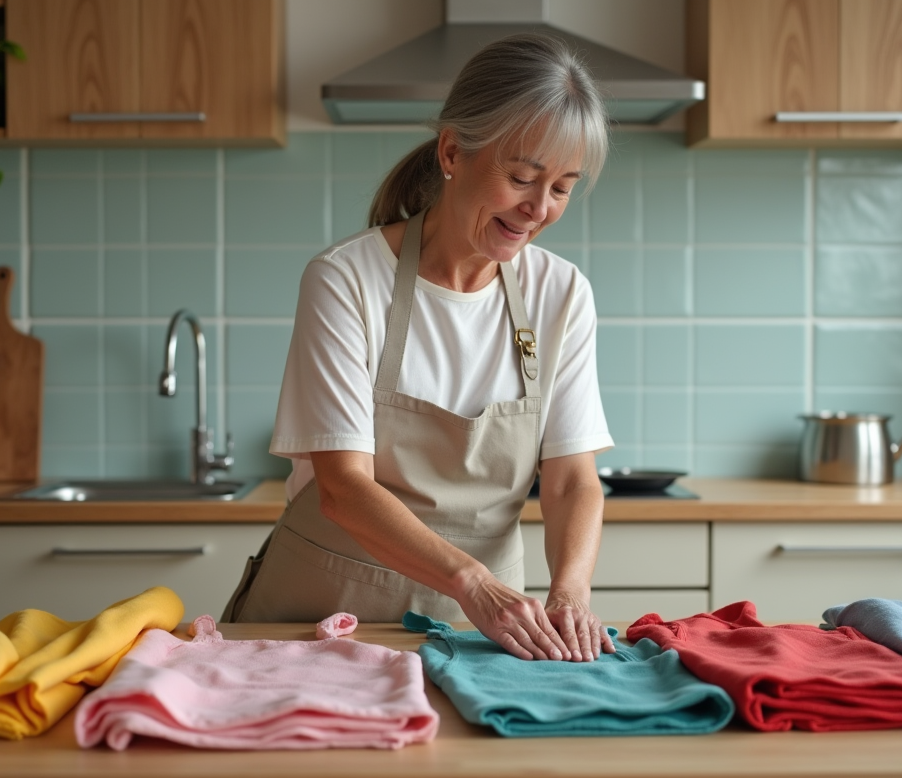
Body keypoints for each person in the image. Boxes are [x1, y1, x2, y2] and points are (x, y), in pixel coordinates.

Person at [222, 33, 616, 663]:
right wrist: (475, 584)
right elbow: (342, 487)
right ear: (453, 152)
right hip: (319, 629)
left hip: (483, 638)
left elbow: (571, 480)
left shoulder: (560, 293)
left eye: (563, 188)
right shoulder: (346, 280)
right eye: (522, 178)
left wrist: (570, 592)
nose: (539, 209)